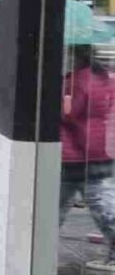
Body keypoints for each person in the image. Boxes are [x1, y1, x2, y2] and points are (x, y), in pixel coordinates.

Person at [60, 44, 115, 272]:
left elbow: (67, 113)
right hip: (99, 150)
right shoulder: (104, 77)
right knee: (100, 205)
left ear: (74, 56)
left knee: (50, 208)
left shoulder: (76, 81)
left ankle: (33, 252)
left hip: (73, 154)